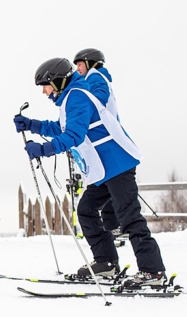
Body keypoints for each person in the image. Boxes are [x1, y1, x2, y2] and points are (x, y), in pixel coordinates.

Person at [12, 57, 166, 288]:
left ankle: (153, 272)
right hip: (103, 169)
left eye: (45, 86)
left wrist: (43, 149)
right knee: (86, 210)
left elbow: (73, 135)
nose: (44, 92)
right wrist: (32, 124)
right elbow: (61, 128)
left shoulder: (77, 96)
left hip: (117, 163)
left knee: (128, 216)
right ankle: (106, 263)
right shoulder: (71, 98)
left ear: (57, 81)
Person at [74, 48, 121, 239]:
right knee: (108, 187)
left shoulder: (94, 77)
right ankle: (112, 227)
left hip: (103, 140)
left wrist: (81, 112)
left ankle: (112, 228)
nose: (76, 68)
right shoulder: (98, 78)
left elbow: (96, 100)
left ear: (90, 62)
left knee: (107, 186)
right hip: (107, 139)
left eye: (79, 64)